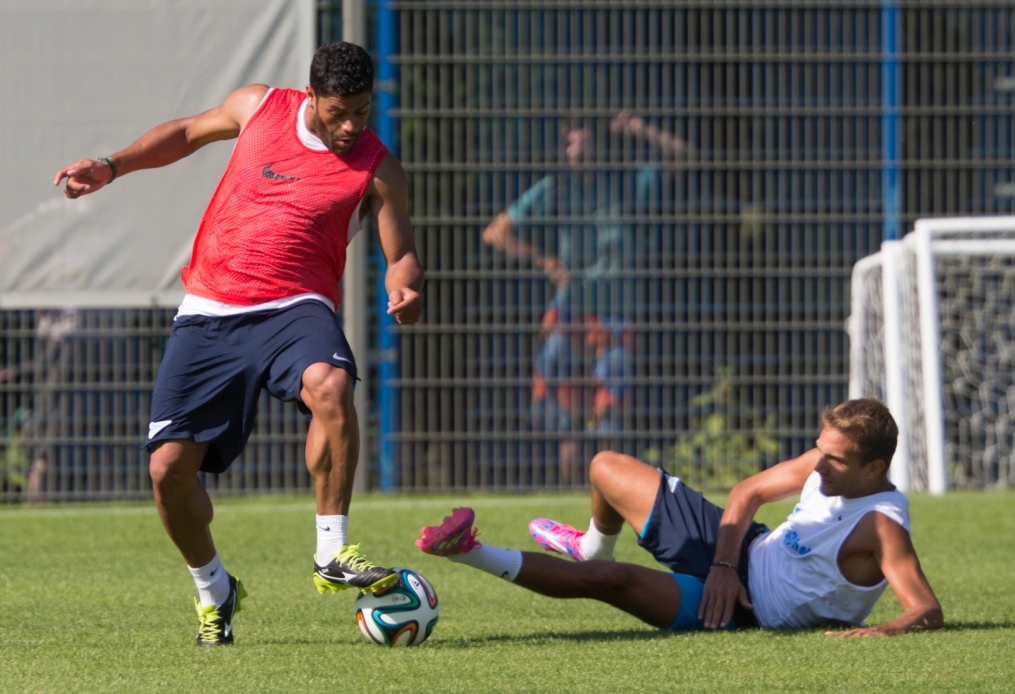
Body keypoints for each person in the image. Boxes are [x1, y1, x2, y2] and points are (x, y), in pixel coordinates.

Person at [53, 42, 424, 646]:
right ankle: (214, 591)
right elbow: (186, 132)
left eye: (362, 110)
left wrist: (406, 288)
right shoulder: (259, 108)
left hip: (295, 307)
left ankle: (331, 550)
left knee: (332, 384)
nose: (351, 125)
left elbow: (401, 252)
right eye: (338, 112)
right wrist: (111, 165)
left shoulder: (380, 168)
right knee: (168, 472)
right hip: (210, 310)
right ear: (310, 97)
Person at [416, 399, 943, 635]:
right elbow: (748, 492)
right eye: (818, 450)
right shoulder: (825, 458)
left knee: (611, 581)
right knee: (605, 467)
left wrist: (880, 634)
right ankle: (592, 541)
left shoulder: (881, 524)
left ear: (874, 467)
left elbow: (925, 609)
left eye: (835, 460)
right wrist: (724, 563)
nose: (818, 463)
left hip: (747, 609)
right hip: (735, 552)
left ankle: (467, 550)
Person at [481, 113, 690, 484]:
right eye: (571, 140)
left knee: (611, 404)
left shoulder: (626, 183)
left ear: (600, 146)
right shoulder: (556, 188)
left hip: (618, 310)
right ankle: (569, 489)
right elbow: (496, 232)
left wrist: (641, 129)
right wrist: (543, 261)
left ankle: (612, 489)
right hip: (571, 312)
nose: (577, 147)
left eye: (585, 139)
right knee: (564, 406)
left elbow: (684, 158)